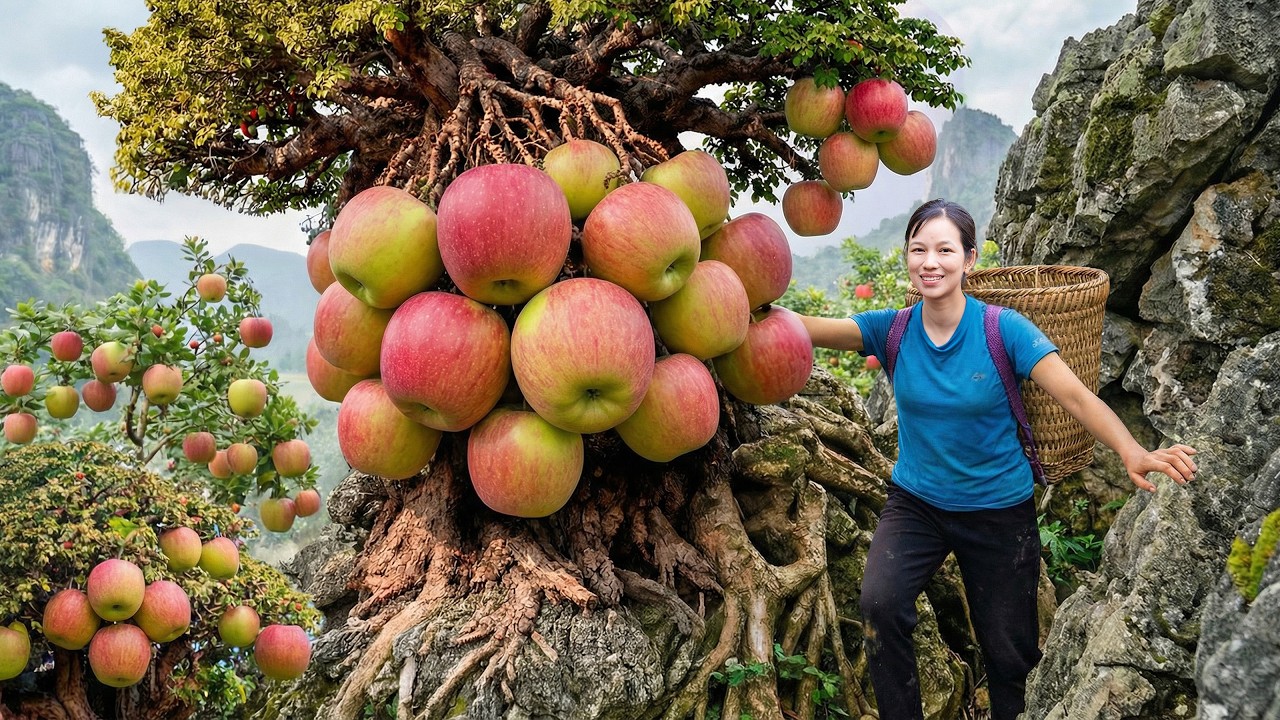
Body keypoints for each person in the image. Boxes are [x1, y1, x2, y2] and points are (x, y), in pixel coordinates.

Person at [798, 198, 1198, 720]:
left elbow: (1076, 397)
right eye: (918, 249)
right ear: (907, 258)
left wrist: (1133, 450)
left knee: (1009, 654)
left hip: (998, 512)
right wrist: (746, 302)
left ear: (969, 259)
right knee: (879, 604)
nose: (930, 262)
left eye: (944, 249)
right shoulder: (891, 329)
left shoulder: (1002, 329)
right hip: (916, 503)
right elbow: (808, 327)